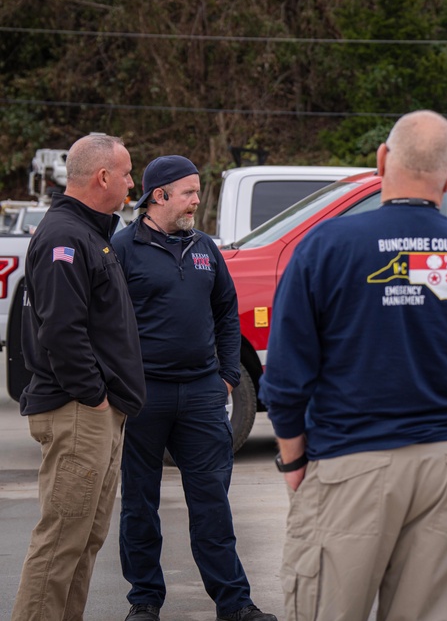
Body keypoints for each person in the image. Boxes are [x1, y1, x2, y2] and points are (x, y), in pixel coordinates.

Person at [259, 110, 447, 621]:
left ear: (382, 160)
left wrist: (294, 462)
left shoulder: (325, 248)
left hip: (348, 466)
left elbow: (287, 376)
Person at [111, 156, 276, 621]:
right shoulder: (122, 249)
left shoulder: (205, 248)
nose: (197, 200)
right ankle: (144, 601)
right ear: (158, 195)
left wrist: (225, 374)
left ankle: (234, 603)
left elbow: (226, 311)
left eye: (197, 191)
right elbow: (106, 322)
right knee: (139, 505)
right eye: (189, 192)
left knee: (212, 505)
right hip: (145, 396)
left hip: (203, 394)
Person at [12, 134, 146, 621]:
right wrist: (94, 398)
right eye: (128, 174)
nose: (134, 183)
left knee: (84, 540)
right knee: (61, 542)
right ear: (102, 177)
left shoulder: (89, 232)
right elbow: (62, 331)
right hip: (77, 412)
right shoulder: (65, 237)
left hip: (96, 413)